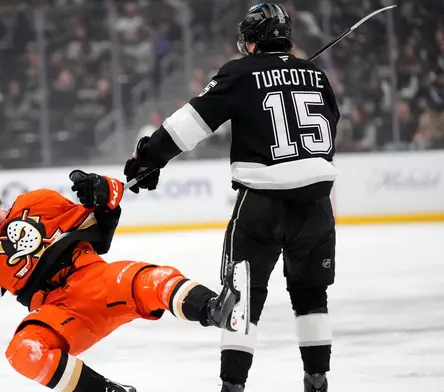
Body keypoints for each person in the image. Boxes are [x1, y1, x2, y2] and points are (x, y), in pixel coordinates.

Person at [123, 4, 339, 392]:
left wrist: (146, 159)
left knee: (242, 299)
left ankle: (233, 387)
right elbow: (331, 127)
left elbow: (191, 122)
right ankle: (317, 381)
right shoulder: (317, 74)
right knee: (311, 296)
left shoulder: (241, 73)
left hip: (261, 205)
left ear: (254, 39)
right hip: (317, 209)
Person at [0, 173, 248, 392]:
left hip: (94, 278)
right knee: (23, 352)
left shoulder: (37, 202)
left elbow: (100, 228)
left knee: (153, 280)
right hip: (59, 311)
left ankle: (215, 310)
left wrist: (102, 192)